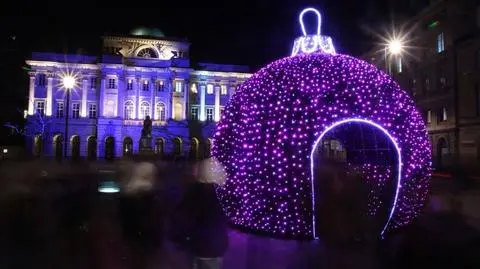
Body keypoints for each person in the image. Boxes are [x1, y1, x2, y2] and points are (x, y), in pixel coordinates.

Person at [171, 160, 229, 269]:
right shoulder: (220, 196)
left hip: (195, 245)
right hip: (213, 248)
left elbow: (181, 215)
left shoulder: (192, 192)